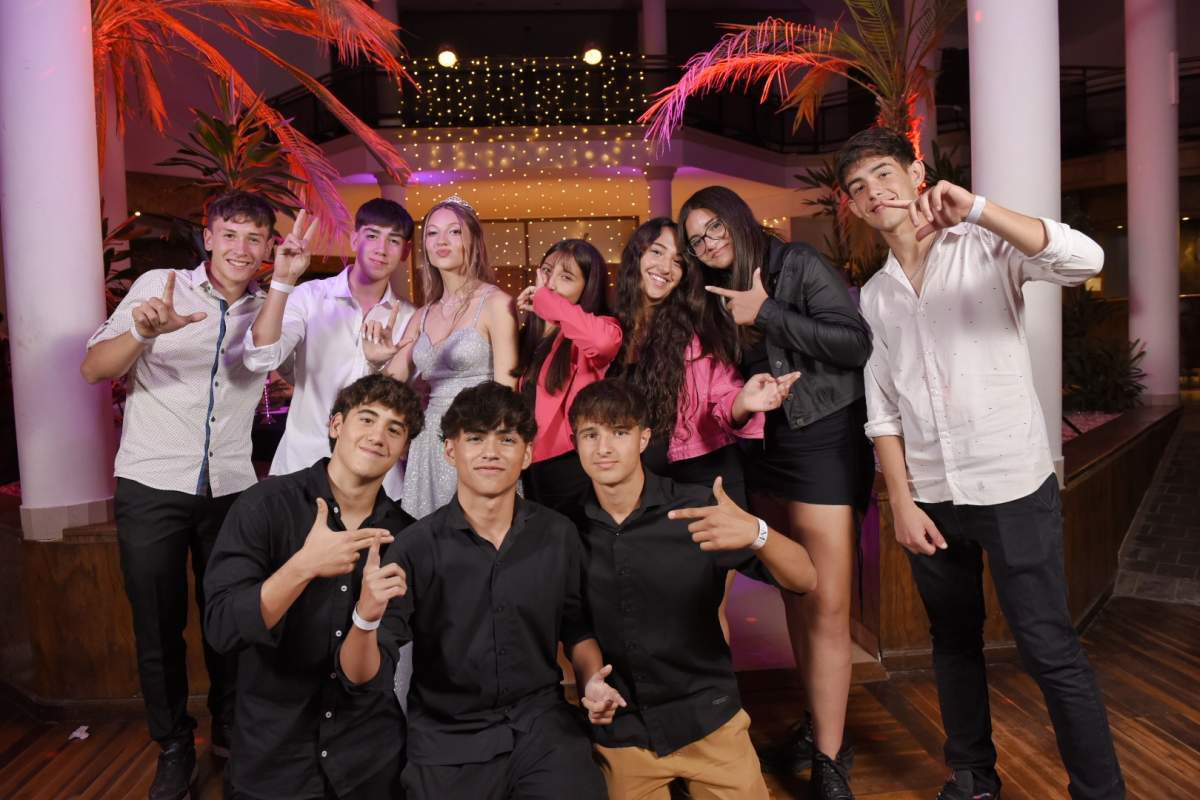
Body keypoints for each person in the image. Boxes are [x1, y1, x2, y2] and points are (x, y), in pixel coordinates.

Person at [839, 126, 1124, 800]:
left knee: (1048, 647)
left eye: (883, 175)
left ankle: (1100, 792)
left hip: (1013, 484)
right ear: (852, 208)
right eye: (857, 188)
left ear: (916, 175)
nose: (873, 193)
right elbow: (882, 409)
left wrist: (979, 208)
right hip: (932, 498)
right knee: (953, 640)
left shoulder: (984, 246)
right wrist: (901, 502)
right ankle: (972, 778)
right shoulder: (875, 295)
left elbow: (1083, 259)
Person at [81, 192, 304, 800]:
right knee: (157, 625)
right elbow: (95, 368)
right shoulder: (160, 287)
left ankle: (229, 729)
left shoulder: (272, 307)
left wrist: (285, 288)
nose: (241, 249)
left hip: (231, 487)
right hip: (152, 481)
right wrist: (142, 333)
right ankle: (174, 744)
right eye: (230, 234)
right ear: (208, 237)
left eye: (255, 238)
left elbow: (273, 362)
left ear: (269, 247)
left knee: (229, 618)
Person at [680, 186, 873, 799]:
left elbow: (855, 344)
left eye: (715, 228)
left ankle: (832, 761)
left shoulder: (797, 264)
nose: (709, 243)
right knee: (795, 590)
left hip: (823, 440)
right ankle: (819, 722)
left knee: (828, 601)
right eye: (696, 239)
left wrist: (765, 313)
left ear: (739, 220)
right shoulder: (711, 293)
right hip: (763, 449)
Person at [338, 381, 619, 800]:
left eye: (506, 439)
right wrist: (365, 617)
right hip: (448, 739)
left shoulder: (558, 533)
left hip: (542, 729)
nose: (491, 452)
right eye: (475, 438)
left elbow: (576, 628)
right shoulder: (415, 546)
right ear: (450, 451)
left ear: (527, 454)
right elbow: (360, 676)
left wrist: (591, 681)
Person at [566, 379, 817, 799]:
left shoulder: (697, 510)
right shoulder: (567, 528)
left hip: (708, 721)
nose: (603, 448)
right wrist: (590, 681)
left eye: (619, 432)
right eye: (590, 435)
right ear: (575, 442)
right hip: (626, 731)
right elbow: (575, 626)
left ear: (643, 438)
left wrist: (757, 533)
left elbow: (805, 578)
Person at [204, 374, 422, 799]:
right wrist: (301, 567)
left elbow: (366, 679)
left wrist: (366, 618)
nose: (378, 436)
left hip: (367, 762)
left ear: (403, 449)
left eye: (394, 429)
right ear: (336, 425)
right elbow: (223, 628)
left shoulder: (405, 539)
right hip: (273, 760)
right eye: (367, 419)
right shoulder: (264, 506)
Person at [610, 218, 799, 509]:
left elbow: (725, 395)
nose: (665, 267)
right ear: (637, 255)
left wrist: (744, 401)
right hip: (642, 483)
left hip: (705, 477)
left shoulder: (695, 331)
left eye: (677, 261)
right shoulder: (610, 331)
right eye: (657, 252)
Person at [243, 199, 416, 500]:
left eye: (394, 240)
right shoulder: (309, 297)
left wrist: (376, 366)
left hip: (377, 482)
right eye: (372, 235)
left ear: (405, 251)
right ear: (355, 239)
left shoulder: (410, 318)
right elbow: (262, 357)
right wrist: (282, 281)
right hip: (302, 467)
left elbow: (404, 404)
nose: (381, 248)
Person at [364, 196, 518, 519]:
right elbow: (390, 387)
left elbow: (508, 392)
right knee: (428, 536)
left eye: (454, 232)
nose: (441, 241)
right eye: (432, 233)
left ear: (473, 241)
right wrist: (376, 360)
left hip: (480, 435)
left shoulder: (496, 303)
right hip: (429, 442)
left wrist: (488, 446)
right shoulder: (421, 315)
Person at [513, 238, 622, 512]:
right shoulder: (529, 336)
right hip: (529, 465)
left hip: (572, 465)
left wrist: (545, 301)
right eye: (547, 271)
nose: (550, 284)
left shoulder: (600, 327)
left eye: (566, 277)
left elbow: (602, 342)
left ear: (588, 288)